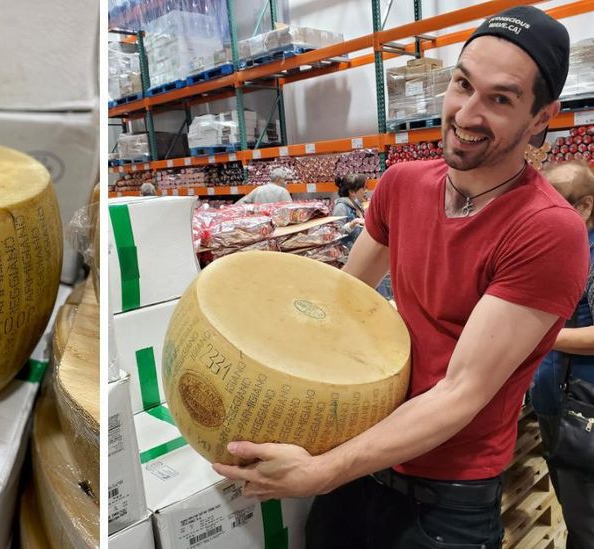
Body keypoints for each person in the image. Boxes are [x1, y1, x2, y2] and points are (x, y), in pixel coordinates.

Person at [211, 7, 589, 548]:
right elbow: (340, 302)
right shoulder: (403, 184)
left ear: (540, 117)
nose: (467, 113)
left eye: (500, 99)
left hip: (443, 504)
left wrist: (322, 472)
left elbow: (462, 392)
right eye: (462, 84)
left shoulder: (547, 231)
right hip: (357, 463)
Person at [528, 160, 594, 548]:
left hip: (582, 407)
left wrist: (539, 337)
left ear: (585, 206)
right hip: (559, 400)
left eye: (554, 203)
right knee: (575, 508)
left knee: (585, 519)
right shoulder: (565, 247)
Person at [332, 174, 367, 249]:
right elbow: (336, 234)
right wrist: (352, 223)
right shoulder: (340, 207)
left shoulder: (357, 205)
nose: (366, 191)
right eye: (363, 189)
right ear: (352, 192)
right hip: (347, 255)